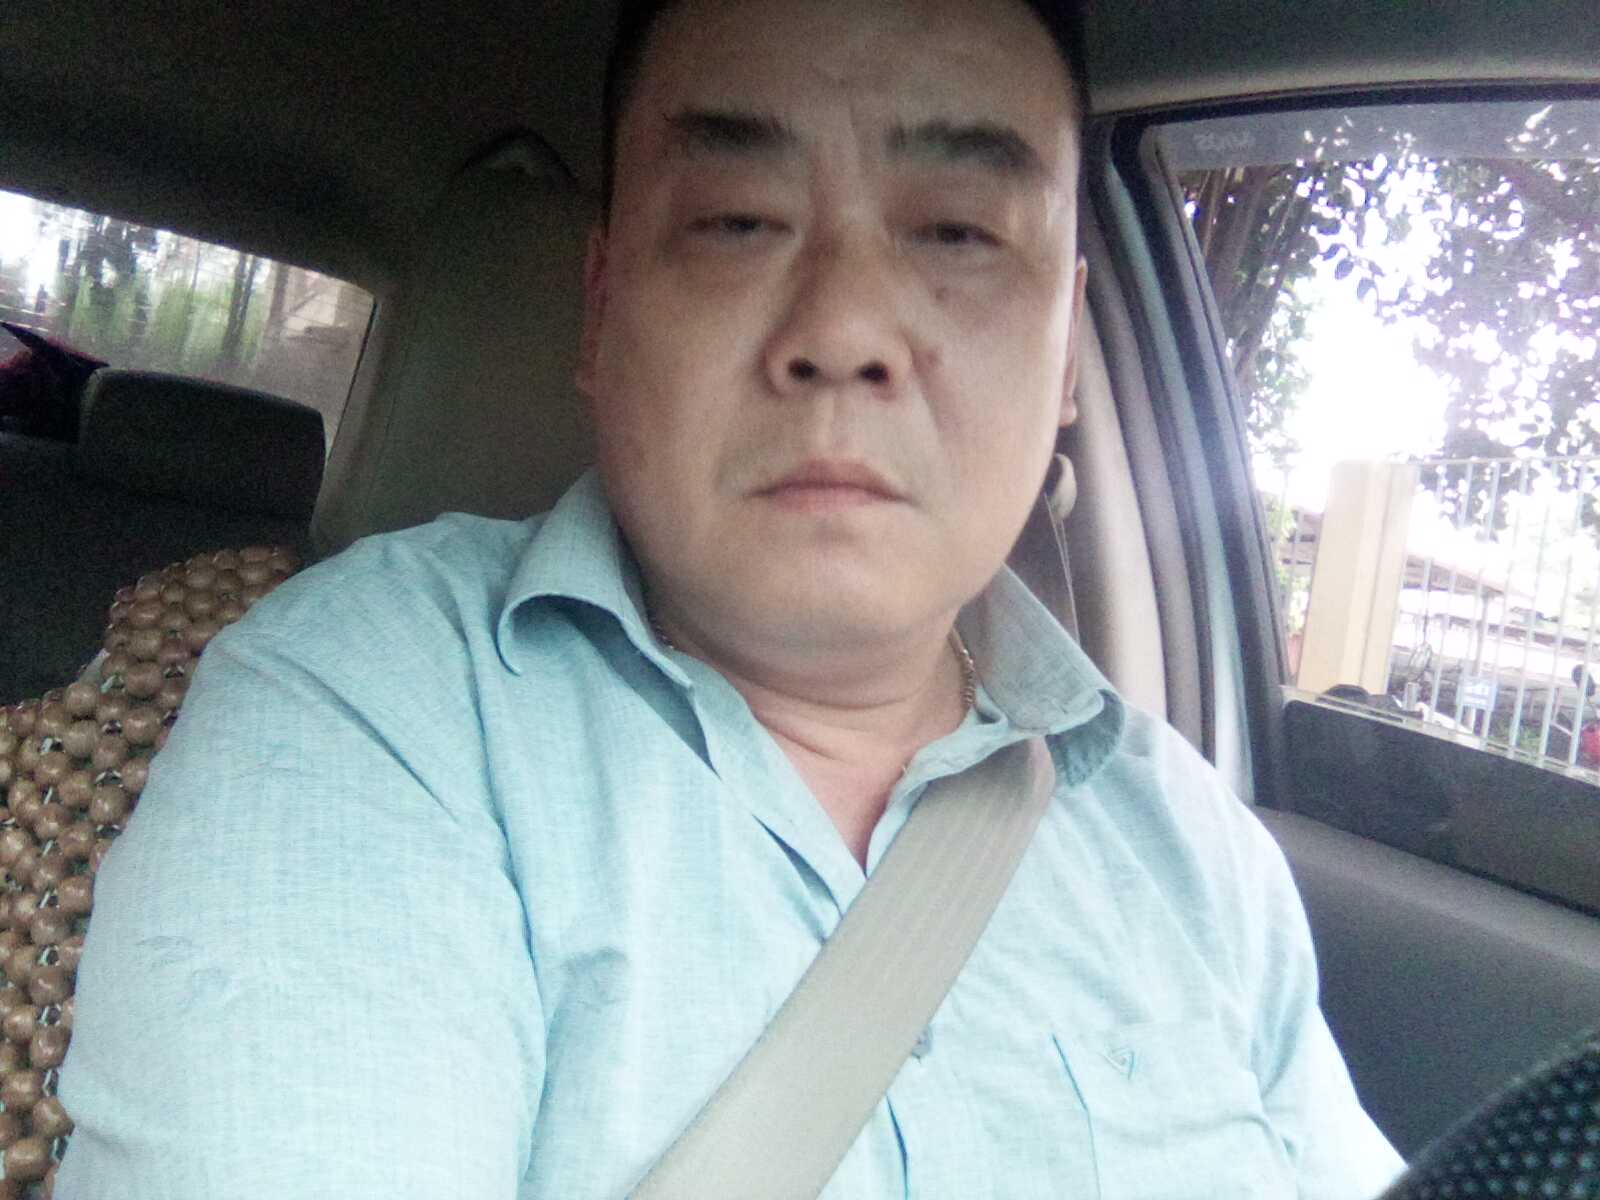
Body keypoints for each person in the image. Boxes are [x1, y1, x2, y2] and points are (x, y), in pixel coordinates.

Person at [56, 0, 1405, 1196]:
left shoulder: (1195, 851)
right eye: (738, 223)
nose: (844, 332)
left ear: (1064, 356)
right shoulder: (369, 710)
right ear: (600, 312)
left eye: (957, 232)